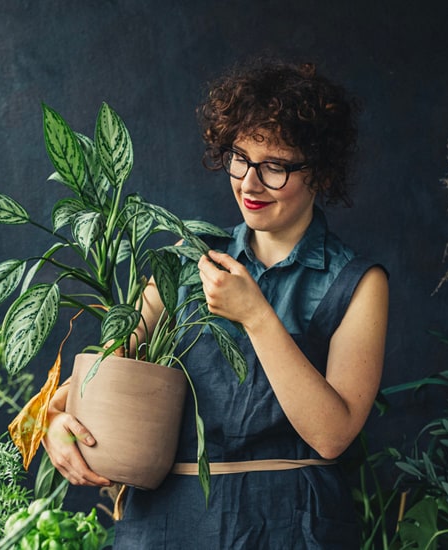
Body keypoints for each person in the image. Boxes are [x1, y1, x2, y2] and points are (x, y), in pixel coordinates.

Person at [42, 58, 389, 549]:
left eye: (274, 167)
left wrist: (256, 316)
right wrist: (58, 425)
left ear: (320, 170)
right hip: (164, 526)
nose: (249, 183)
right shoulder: (185, 260)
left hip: (289, 525)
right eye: (240, 157)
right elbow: (100, 378)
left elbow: (333, 435)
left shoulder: (357, 282)